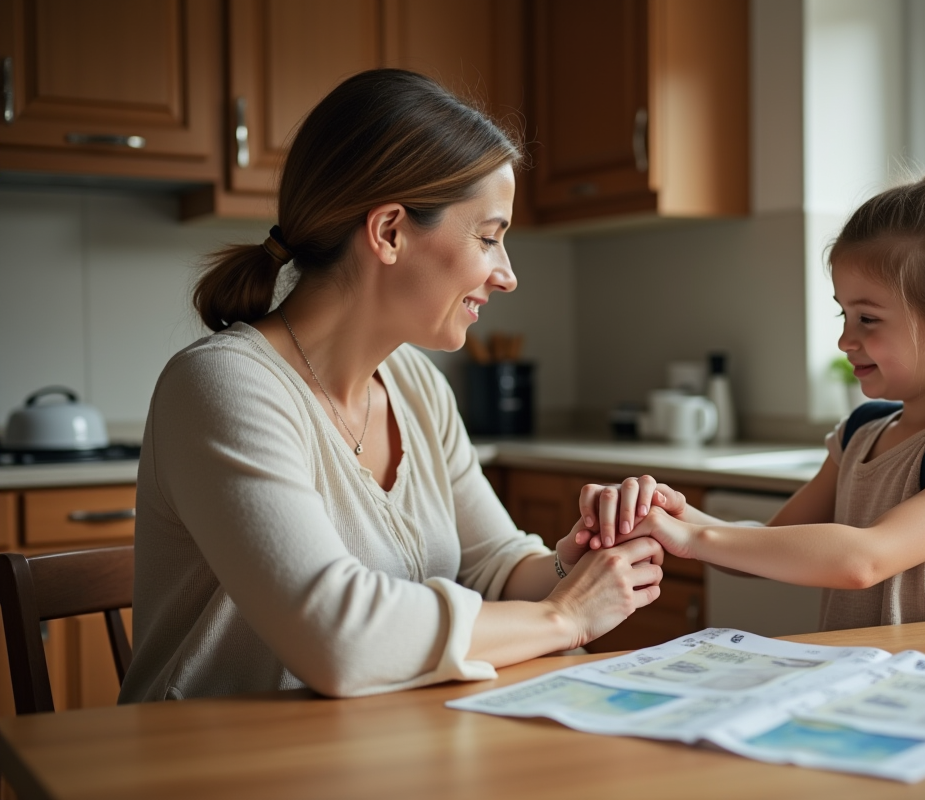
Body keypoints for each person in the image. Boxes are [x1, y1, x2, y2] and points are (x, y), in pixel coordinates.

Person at [118, 69, 664, 703]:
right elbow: (337, 638)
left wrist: (577, 562)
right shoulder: (221, 386)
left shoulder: (416, 387)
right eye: (488, 238)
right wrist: (563, 616)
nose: (507, 274)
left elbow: (493, 565)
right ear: (389, 232)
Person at [575, 162, 925, 631]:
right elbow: (769, 545)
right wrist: (671, 517)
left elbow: (864, 559)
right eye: (844, 315)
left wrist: (695, 536)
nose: (845, 340)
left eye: (868, 319)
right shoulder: (860, 436)